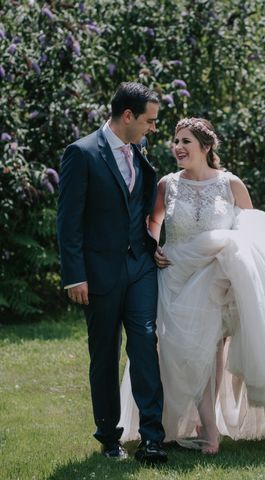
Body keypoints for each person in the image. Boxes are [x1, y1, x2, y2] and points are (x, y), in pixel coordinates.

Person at [118, 117, 265, 454]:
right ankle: (195, 421)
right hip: (176, 273)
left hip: (217, 274)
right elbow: (154, 221)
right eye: (176, 141)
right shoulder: (167, 185)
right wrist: (153, 247)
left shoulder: (230, 184)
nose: (178, 147)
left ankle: (209, 427)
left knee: (212, 345)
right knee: (183, 349)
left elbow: (252, 232)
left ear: (206, 146)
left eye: (186, 141)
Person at [57, 82, 167, 464]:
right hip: (99, 272)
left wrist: (154, 245)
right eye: (149, 121)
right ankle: (109, 438)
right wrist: (75, 275)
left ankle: (152, 437)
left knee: (145, 345)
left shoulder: (140, 151)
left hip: (140, 267)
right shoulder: (82, 153)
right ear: (127, 116)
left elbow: (142, 208)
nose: (153, 128)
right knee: (104, 354)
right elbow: (68, 221)